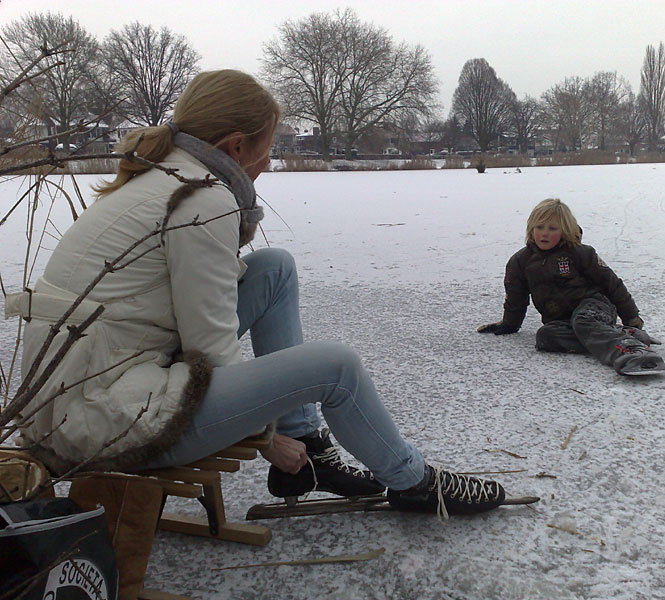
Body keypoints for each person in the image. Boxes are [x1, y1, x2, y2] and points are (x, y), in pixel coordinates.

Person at [9, 70, 504, 516]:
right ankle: (413, 482)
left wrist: (278, 430)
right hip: (103, 423)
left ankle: (306, 440)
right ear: (236, 146)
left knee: (272, 269)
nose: (268, 163)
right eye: (268, 148)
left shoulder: (165, 173)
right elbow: (210, 354)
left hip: (86, 393)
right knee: (335, 367)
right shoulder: (203, 198)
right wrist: (264, 438)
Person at [477, 198, 665, 375]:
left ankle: (631, 351)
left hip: (595, 307)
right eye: (539, 227)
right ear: (531, 228)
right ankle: (622, 335)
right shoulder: (520, 262)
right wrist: (509, 324)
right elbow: (516, 297)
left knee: (584, 321)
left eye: (552, 228)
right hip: (562, 320)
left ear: (565, 230)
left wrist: (631, 316)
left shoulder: (580, 253)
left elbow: (612, 284)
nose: (544, 233)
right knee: (545, 337)